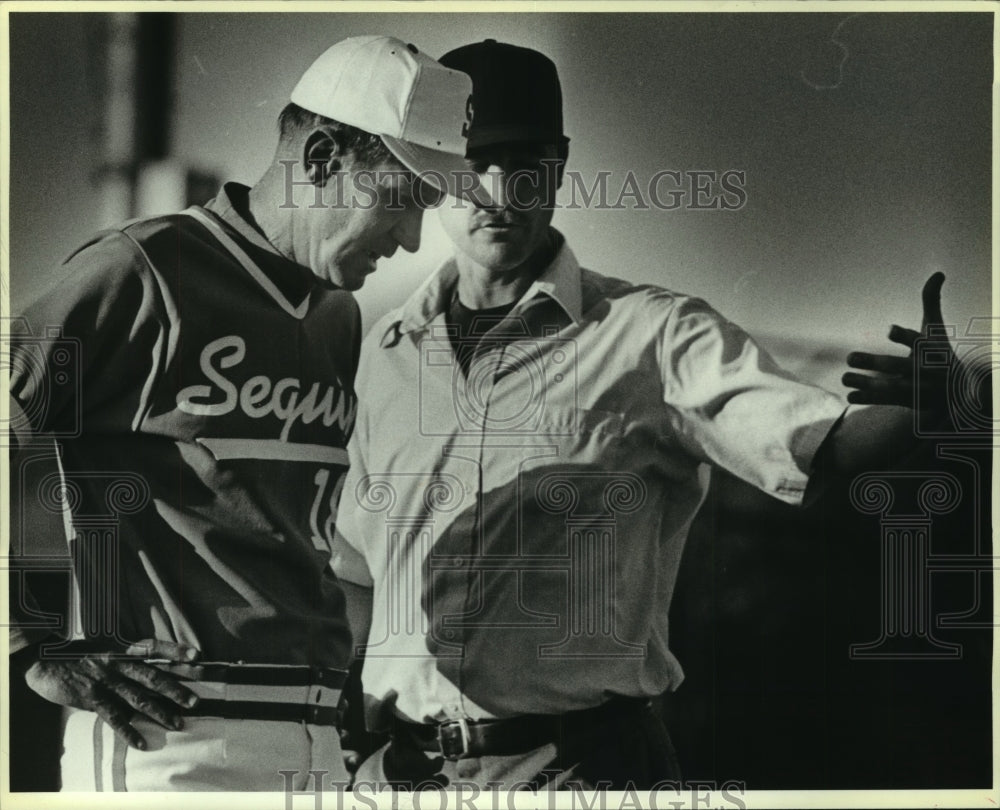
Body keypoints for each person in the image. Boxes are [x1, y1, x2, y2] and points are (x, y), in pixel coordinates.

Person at [330, 39, 969, 791]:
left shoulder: (654, 335)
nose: (500, 189)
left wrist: (942, 404)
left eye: (526, 160)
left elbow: (824, 448)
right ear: (432, 174)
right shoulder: (387, 349)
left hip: (575, 769)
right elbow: (356, 572)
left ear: (560, 168)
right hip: (396, 776)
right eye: (474, 161)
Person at [6, 34, 478, 791]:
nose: (413, 240)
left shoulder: (337, 315)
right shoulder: (146, 270)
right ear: (322, 158)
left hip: (319, 743)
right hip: (167, 740)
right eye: (402, 201)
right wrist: (25, 645)